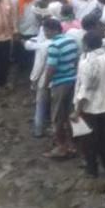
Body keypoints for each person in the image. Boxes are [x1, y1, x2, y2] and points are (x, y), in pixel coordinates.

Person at [73, 31, 105, 179]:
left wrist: (77, 111)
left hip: (90, 108)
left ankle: (92, 170)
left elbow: (85, 90)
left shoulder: (87, 63)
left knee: (89, 141)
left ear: (86, 44)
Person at [43, 18, 79, 159]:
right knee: (71, 114)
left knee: (57, 117)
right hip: (72, 80)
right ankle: (72, 145)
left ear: (54, 30)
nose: (45, 33)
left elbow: (51, 67)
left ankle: (61, 147)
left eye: (46, 30)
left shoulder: (53, 46)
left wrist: (46, 84)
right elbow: (75, 60)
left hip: (60, 83)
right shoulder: (71, 41)